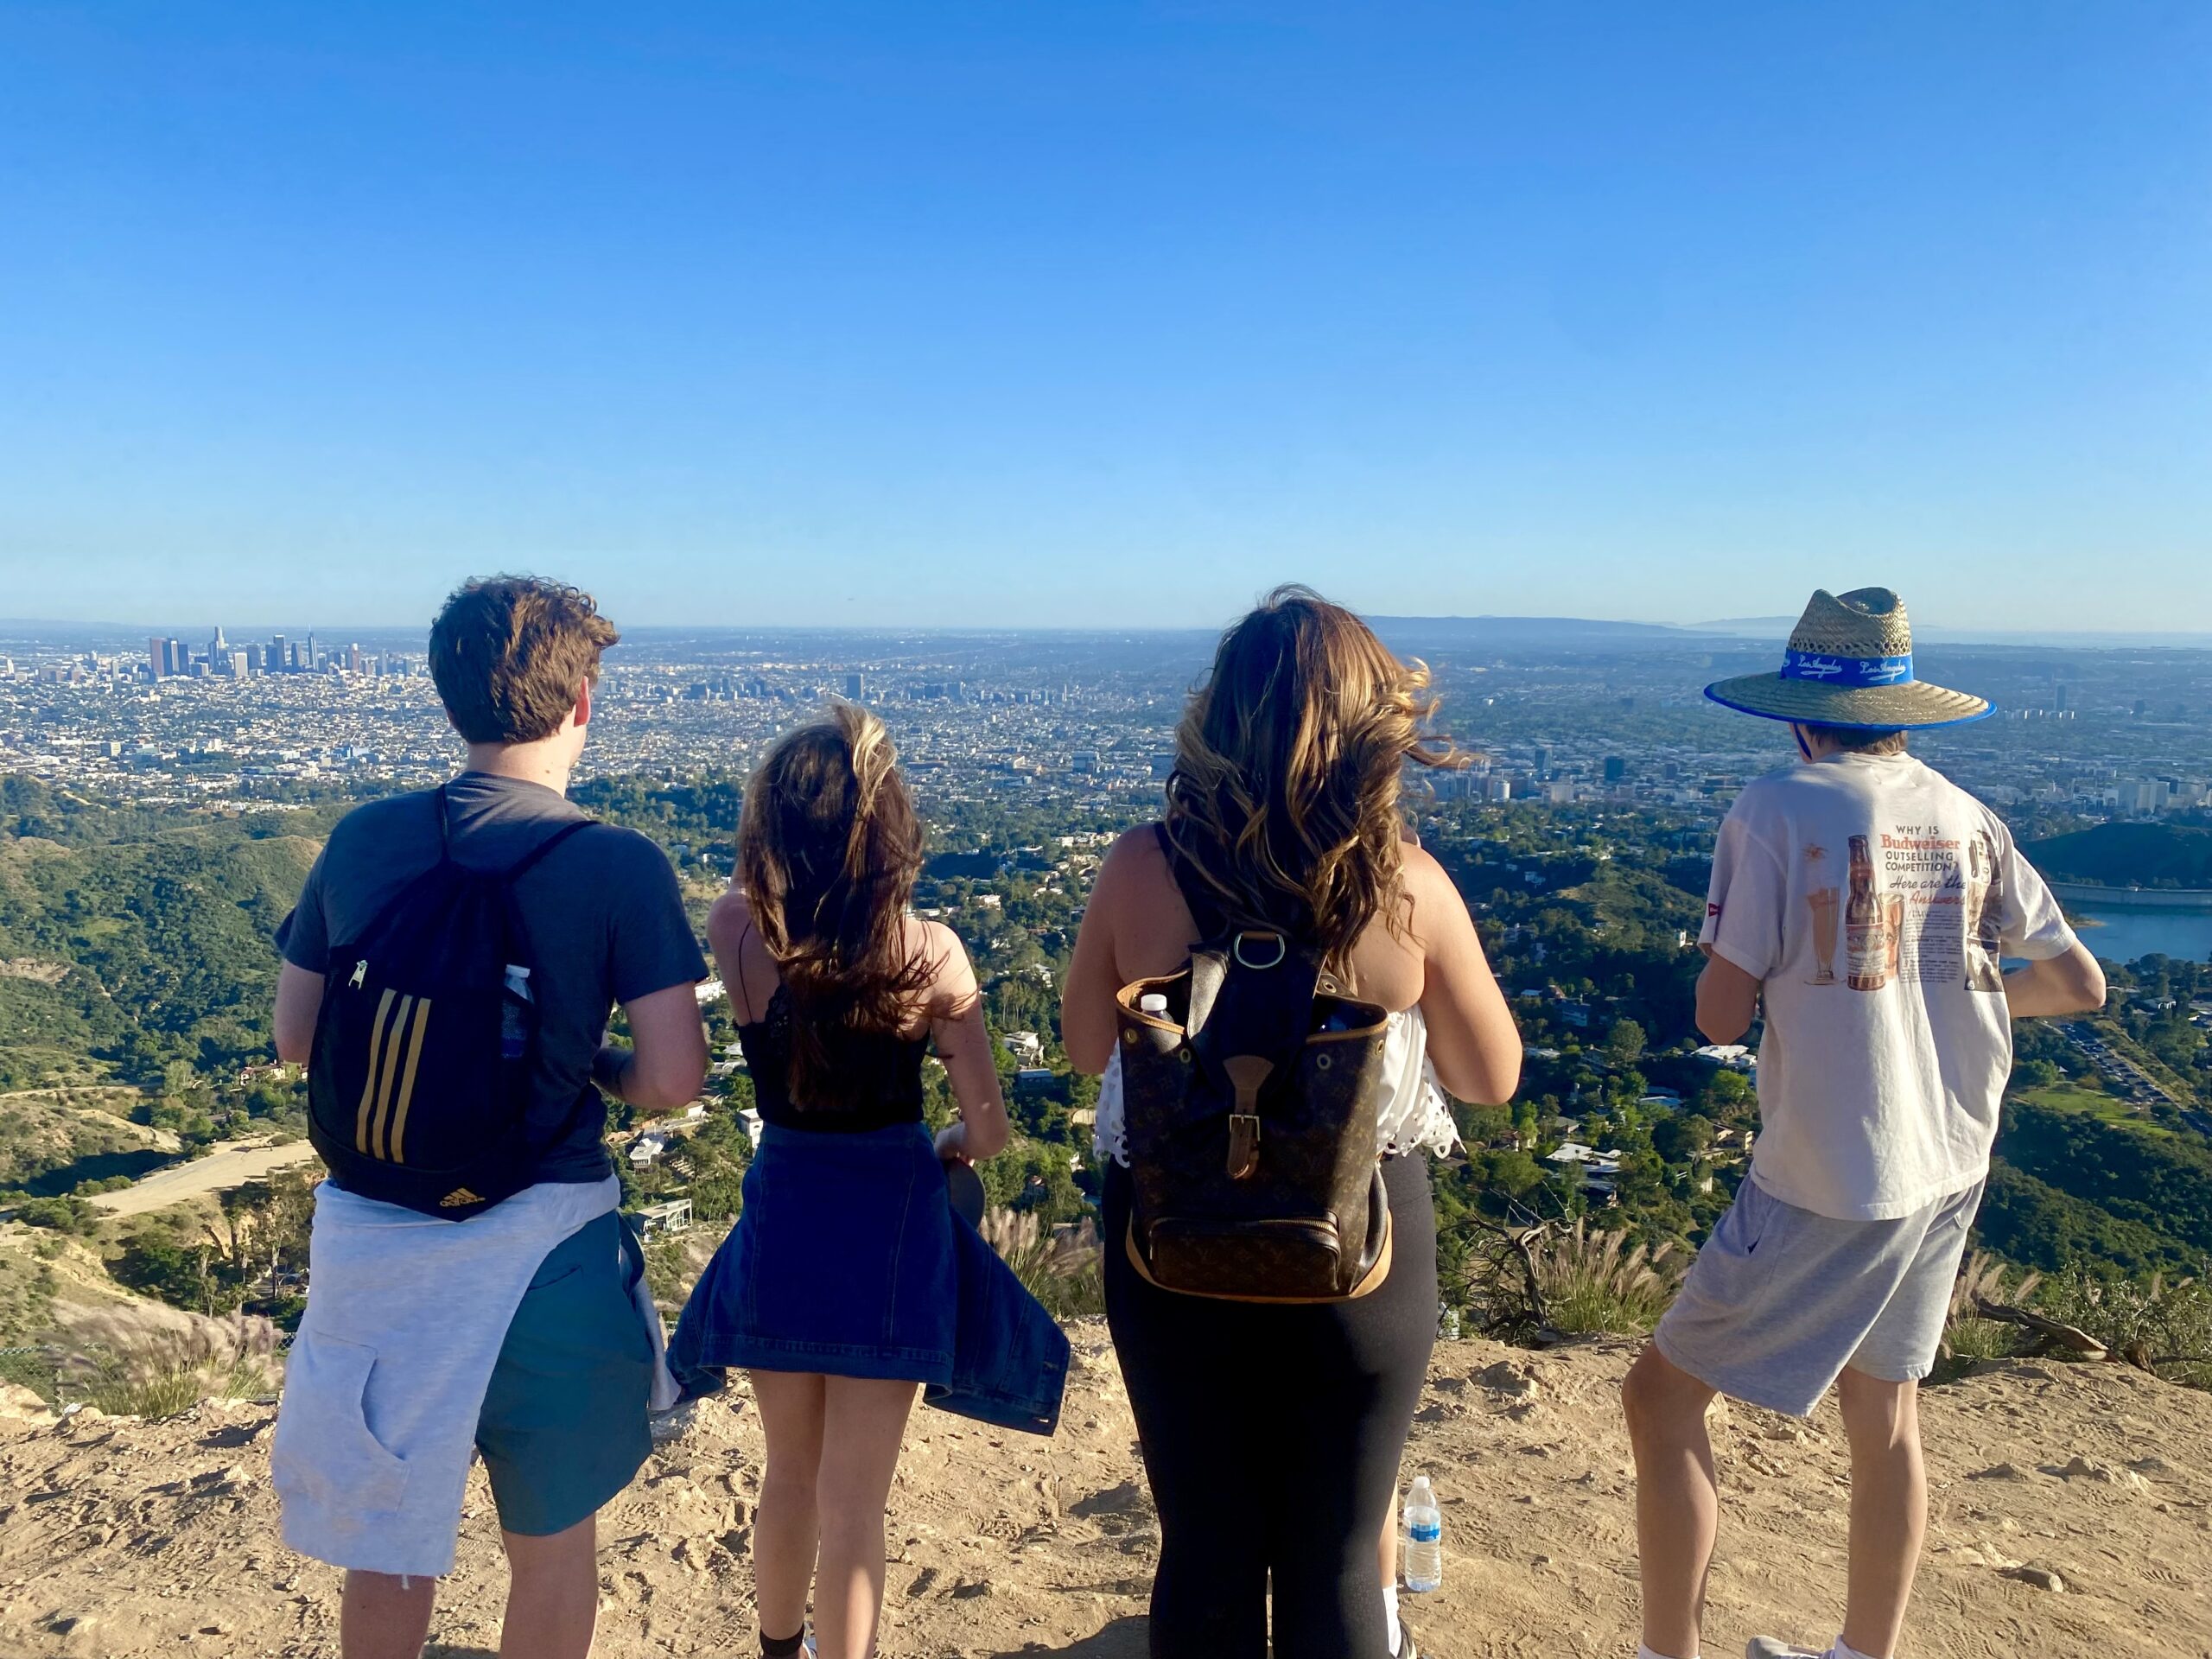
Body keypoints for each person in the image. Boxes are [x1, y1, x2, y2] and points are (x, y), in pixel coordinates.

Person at [1624, 587, 2107, 1659]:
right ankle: (1861, 1654)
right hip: (1948, 1156)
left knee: (1657, 1404)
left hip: (1832, 1167)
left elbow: (1715, 1017)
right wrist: (1938, 1001)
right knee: (1884, 1417)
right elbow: (2076, 984)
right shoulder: (1965, 813)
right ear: (1902, 709)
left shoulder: (1776, 806)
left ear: (1798, 711)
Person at [1063, 587, 1523, 1659]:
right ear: (1373, 732)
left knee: (1206, 1546)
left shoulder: (1141, 868)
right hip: (1358, 1248)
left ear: (1216, 723)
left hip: (1170, 1241)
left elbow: (1090, 1049)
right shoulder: (1403, 887)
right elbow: (1489, 1076)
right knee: (1335, 1555)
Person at [270, 575, 709, 1659]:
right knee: (553, 1552)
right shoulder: (614, 863)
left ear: (447, 696)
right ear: (583, 702)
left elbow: (294, 1040)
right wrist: (580, 1061)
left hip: (373, 1245)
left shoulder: (364, 838)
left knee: (391, 1550)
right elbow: (674, 1079)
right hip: (544, 1245)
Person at [670, 705, 1058, 1659]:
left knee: (785, 1477)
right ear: (889, 833)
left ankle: (776, 1650)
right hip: (891, 1225)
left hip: (786, 1213)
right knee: (855, 1503)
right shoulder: (930, 953)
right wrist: (950, 1147)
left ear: (770, 828)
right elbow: (994, 1130)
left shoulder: (736, 933)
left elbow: (752, 903)